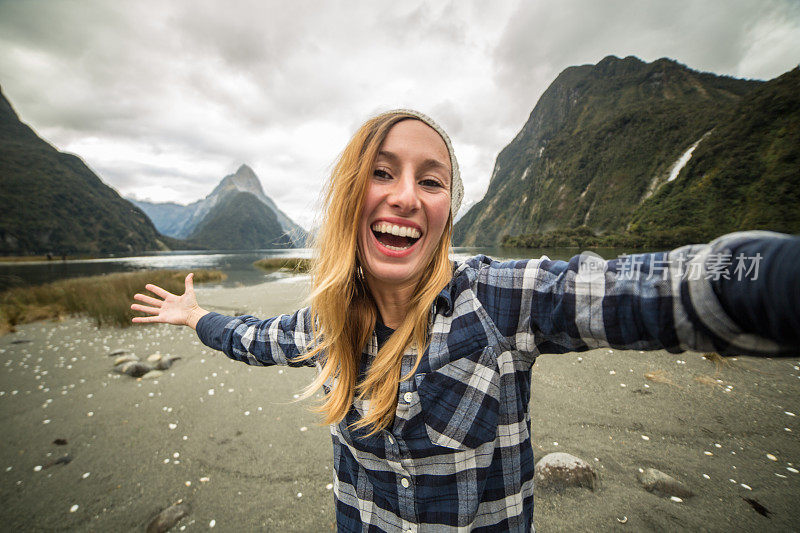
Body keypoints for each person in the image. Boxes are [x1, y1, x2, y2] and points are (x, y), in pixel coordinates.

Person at [131, 109, 800, 532]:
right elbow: (254, 339)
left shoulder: (502, 299)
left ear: (448, 209)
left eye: (431, 179)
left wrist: (770, 280)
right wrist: (197, 316)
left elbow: (655, 289)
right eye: (383, 172)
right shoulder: (327, 324)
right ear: (350, 198)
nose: (404, 195)